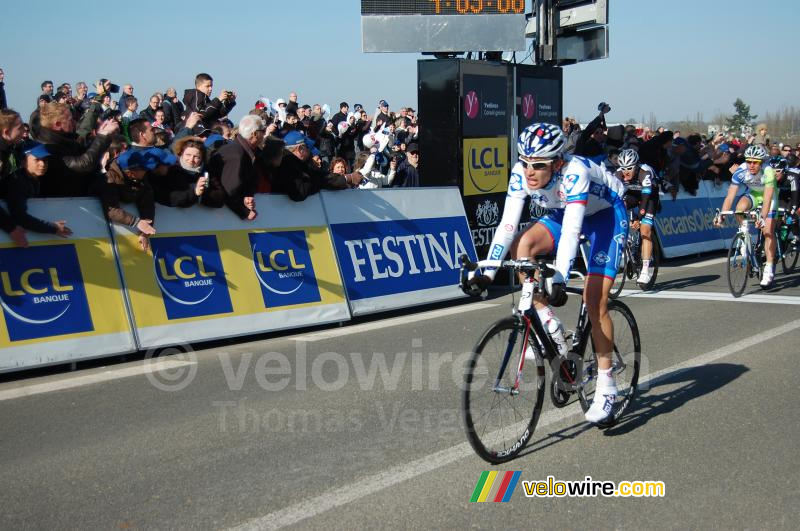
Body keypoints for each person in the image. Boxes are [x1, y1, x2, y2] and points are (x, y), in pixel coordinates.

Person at [465, 123, 628, 425]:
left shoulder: (575, 171)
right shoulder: (521, 172)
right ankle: (546, 320)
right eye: (524, 161)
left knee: (595, 300)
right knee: (523, 245)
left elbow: (571, 232)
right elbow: (507, 226)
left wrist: (561, 278)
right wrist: (487, 272)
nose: (529, 171)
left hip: (605, 215)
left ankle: (607, 386)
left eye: (538, 165)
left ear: (558, 162)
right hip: (564, 211)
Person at [714, 145, 778, 287]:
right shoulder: (741, 171)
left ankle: (769, 267)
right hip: (754, 194)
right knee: (739, 208)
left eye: (755, 162)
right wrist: (722, 215)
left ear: (762, 162)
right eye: (749, 161)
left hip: (769, 197)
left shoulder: (768, 172)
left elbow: (767, 199)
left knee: (767, 231)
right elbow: (730, 197)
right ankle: (744, 236)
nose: (751, 165)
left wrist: (762, 217)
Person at [5, 143, 72, 238]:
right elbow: (19, 216)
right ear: (24, 162)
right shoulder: (16, 181)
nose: (43, 164)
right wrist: (53, 227)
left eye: (45, 160)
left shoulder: (34, 178)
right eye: (37, 159)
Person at [206, 114, 264, 220]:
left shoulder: (241, 151)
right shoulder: (237, 155)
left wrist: (247, 195)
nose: (264, 134)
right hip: (216, 218)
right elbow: (229, 190)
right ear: (255, 134)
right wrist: (244, 211)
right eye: (263, 131)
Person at [616, 149, 659, 285]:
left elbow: (645, 199)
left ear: (636, 166)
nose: (626, 172)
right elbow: (614, 197)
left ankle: (645, 270)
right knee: (620, 205)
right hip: (632, 195)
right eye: (623, 169)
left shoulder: (644, 172)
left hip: (649, 197)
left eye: (629, 168)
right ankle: (629, 240)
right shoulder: (617, 174)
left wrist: (639, 220)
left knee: (645, 230)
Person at [101, 149, 158, 253]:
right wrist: (137, 222)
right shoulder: (109, 179)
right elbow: (111, 210)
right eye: (144, 169)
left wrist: (145, 232)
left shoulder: (142, 179)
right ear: (131, 173)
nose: (147, 171)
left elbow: (148, 205)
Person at [154, 136, 224, 208]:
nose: (191, 159)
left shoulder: (206, 172)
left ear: (202, 158)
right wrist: (195, 192)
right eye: (188, 155)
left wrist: (203, 192)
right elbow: (173, 199)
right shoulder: (171, 169)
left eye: (196, 157)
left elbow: (219, 200)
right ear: (181, 153)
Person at [0, 108, 29, 246]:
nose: (24, 131)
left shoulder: (8, 149)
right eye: (19, 128)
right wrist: (11, 228)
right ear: (6, 132)